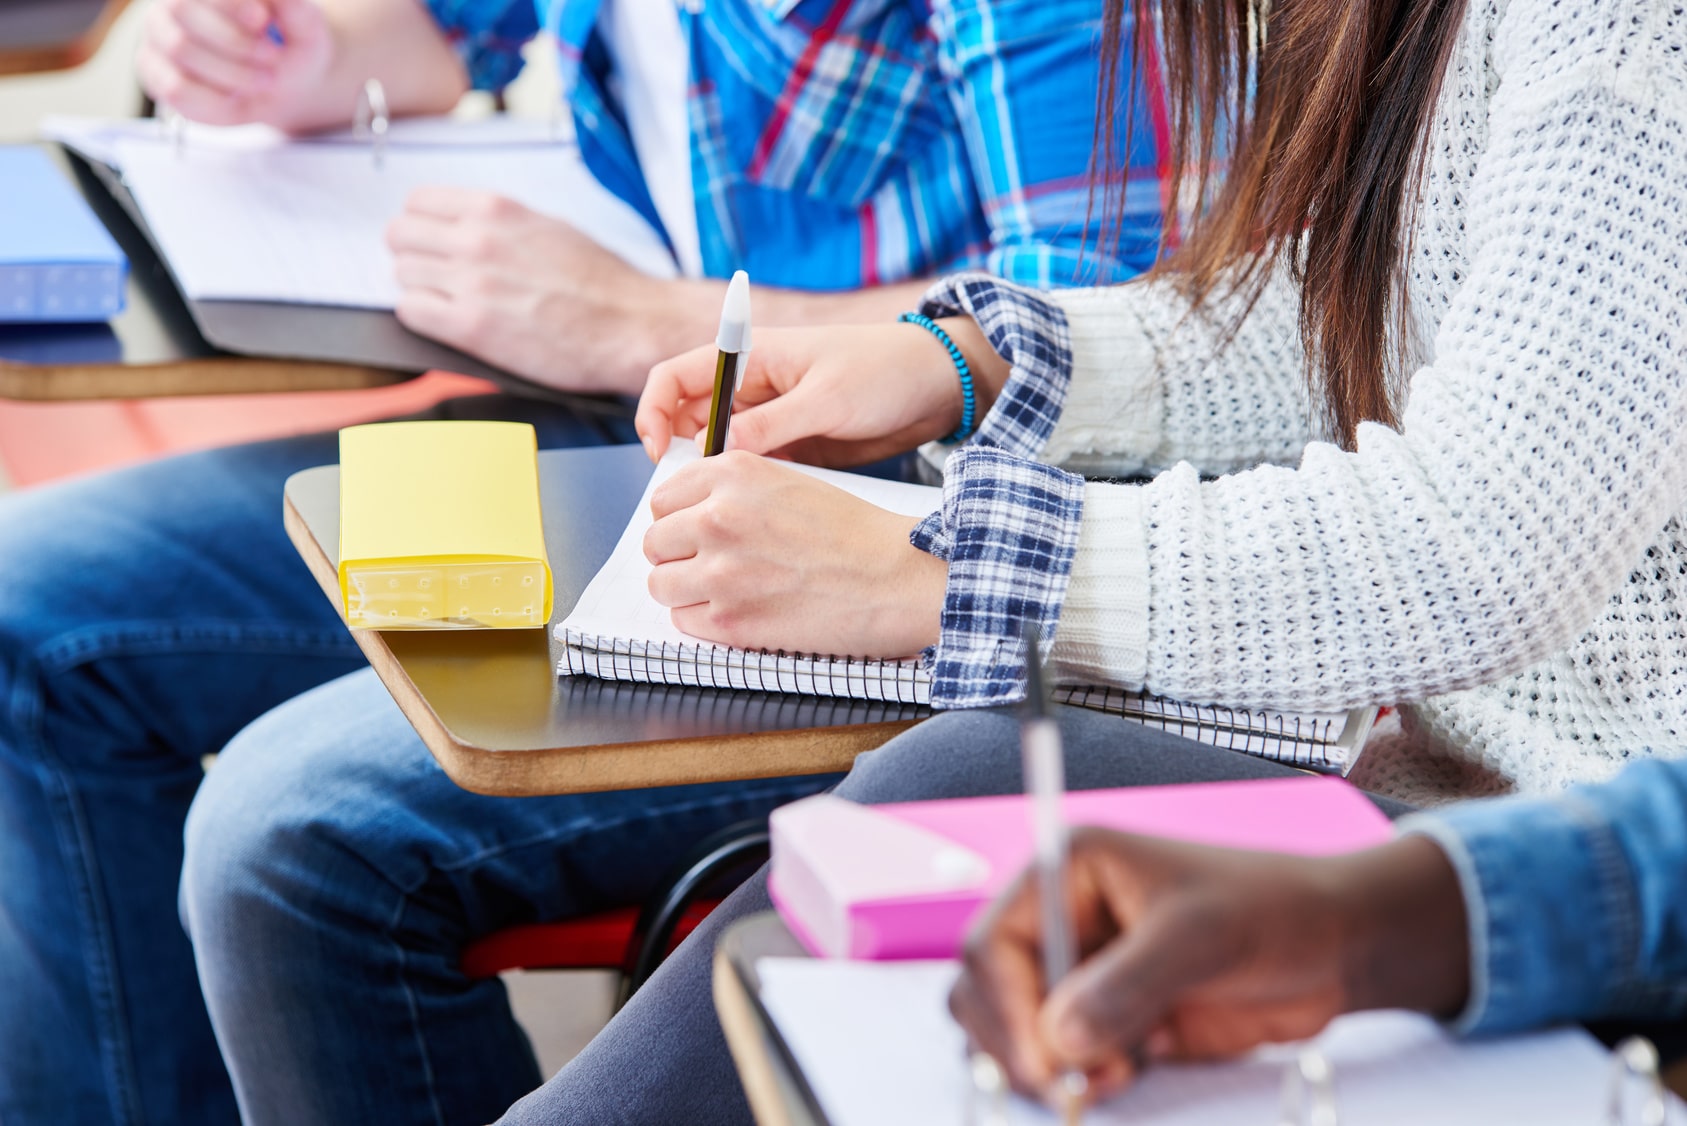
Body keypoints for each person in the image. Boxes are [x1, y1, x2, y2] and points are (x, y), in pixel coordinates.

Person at [476, 0, 1684, 1119]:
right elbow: (1362, 314)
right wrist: (974, 363)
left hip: (1584, 853)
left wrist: (951, 574)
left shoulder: (1621, 32)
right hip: (1445, 773)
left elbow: (1476, 540)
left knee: (956, 783)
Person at [2, 1, 1164, 1124]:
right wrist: (315, 60)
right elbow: (456, 31)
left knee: (289, 828)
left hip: (903, 519)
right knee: (30, 616)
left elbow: (1114, 318)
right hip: (633, 429)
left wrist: (634, 314)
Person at [951, 754, 1687, 1107]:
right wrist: (1357, 930)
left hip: (1537, 795)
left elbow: (1472, 561)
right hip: (1571, 848)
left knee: (953, 763)